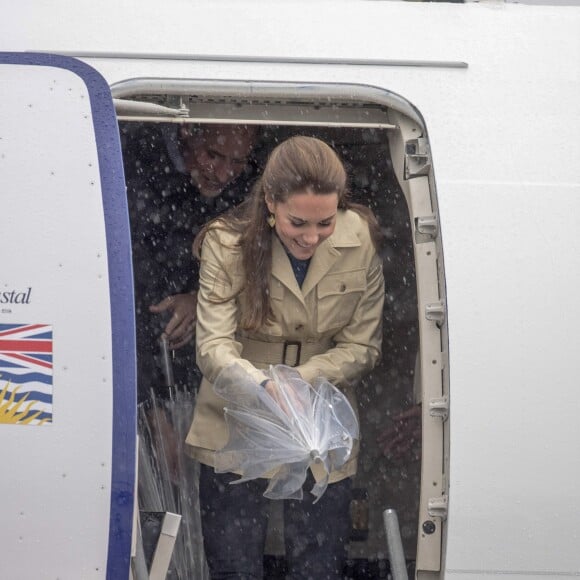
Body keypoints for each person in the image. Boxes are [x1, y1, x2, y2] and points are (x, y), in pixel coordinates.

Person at [185, 136, 385, 579]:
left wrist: (300, 380)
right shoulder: (226, 241)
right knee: (234, 567)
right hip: (234, 418)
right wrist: (265, 386)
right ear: (271, 203)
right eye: (298, 223)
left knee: (319, 566)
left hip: (320, 419)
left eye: (325, 223)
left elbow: (364, 346)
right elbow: (213, 347)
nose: (312, 237)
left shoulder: (361, 239)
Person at [123, 122, 258, 403]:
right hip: (141, 355)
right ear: (187, 131)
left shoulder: (252, 184)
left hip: (208, 362)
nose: (224, 174)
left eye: (237, 161)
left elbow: (258, 263)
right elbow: (131, 285)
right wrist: (150, 404)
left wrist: (200, 297)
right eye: (213, 155)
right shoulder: (137, 162)